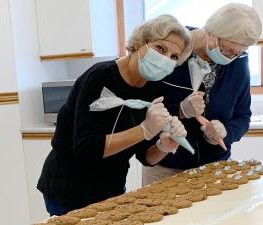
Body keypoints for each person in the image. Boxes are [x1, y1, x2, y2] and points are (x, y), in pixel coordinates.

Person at [37, 14, 193, 216]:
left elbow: (146, 157)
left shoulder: (153, 88)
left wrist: (164, 146)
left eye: (174, 57)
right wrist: (144, 130)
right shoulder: (100, 77)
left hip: (111, 190)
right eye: (160, 48)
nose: (165, 59)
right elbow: (86, 150)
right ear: (139, 43)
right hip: (69, 190)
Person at [142, 3, 262, 185]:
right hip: (167, 167)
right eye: (227, 50)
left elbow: (243, 116)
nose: (231, 57)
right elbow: (142, 110)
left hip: (216, 168)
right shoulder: (170, 49)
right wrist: (180, 110)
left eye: (238, 53)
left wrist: (225, 133)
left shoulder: (238, 62)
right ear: (212, 31)